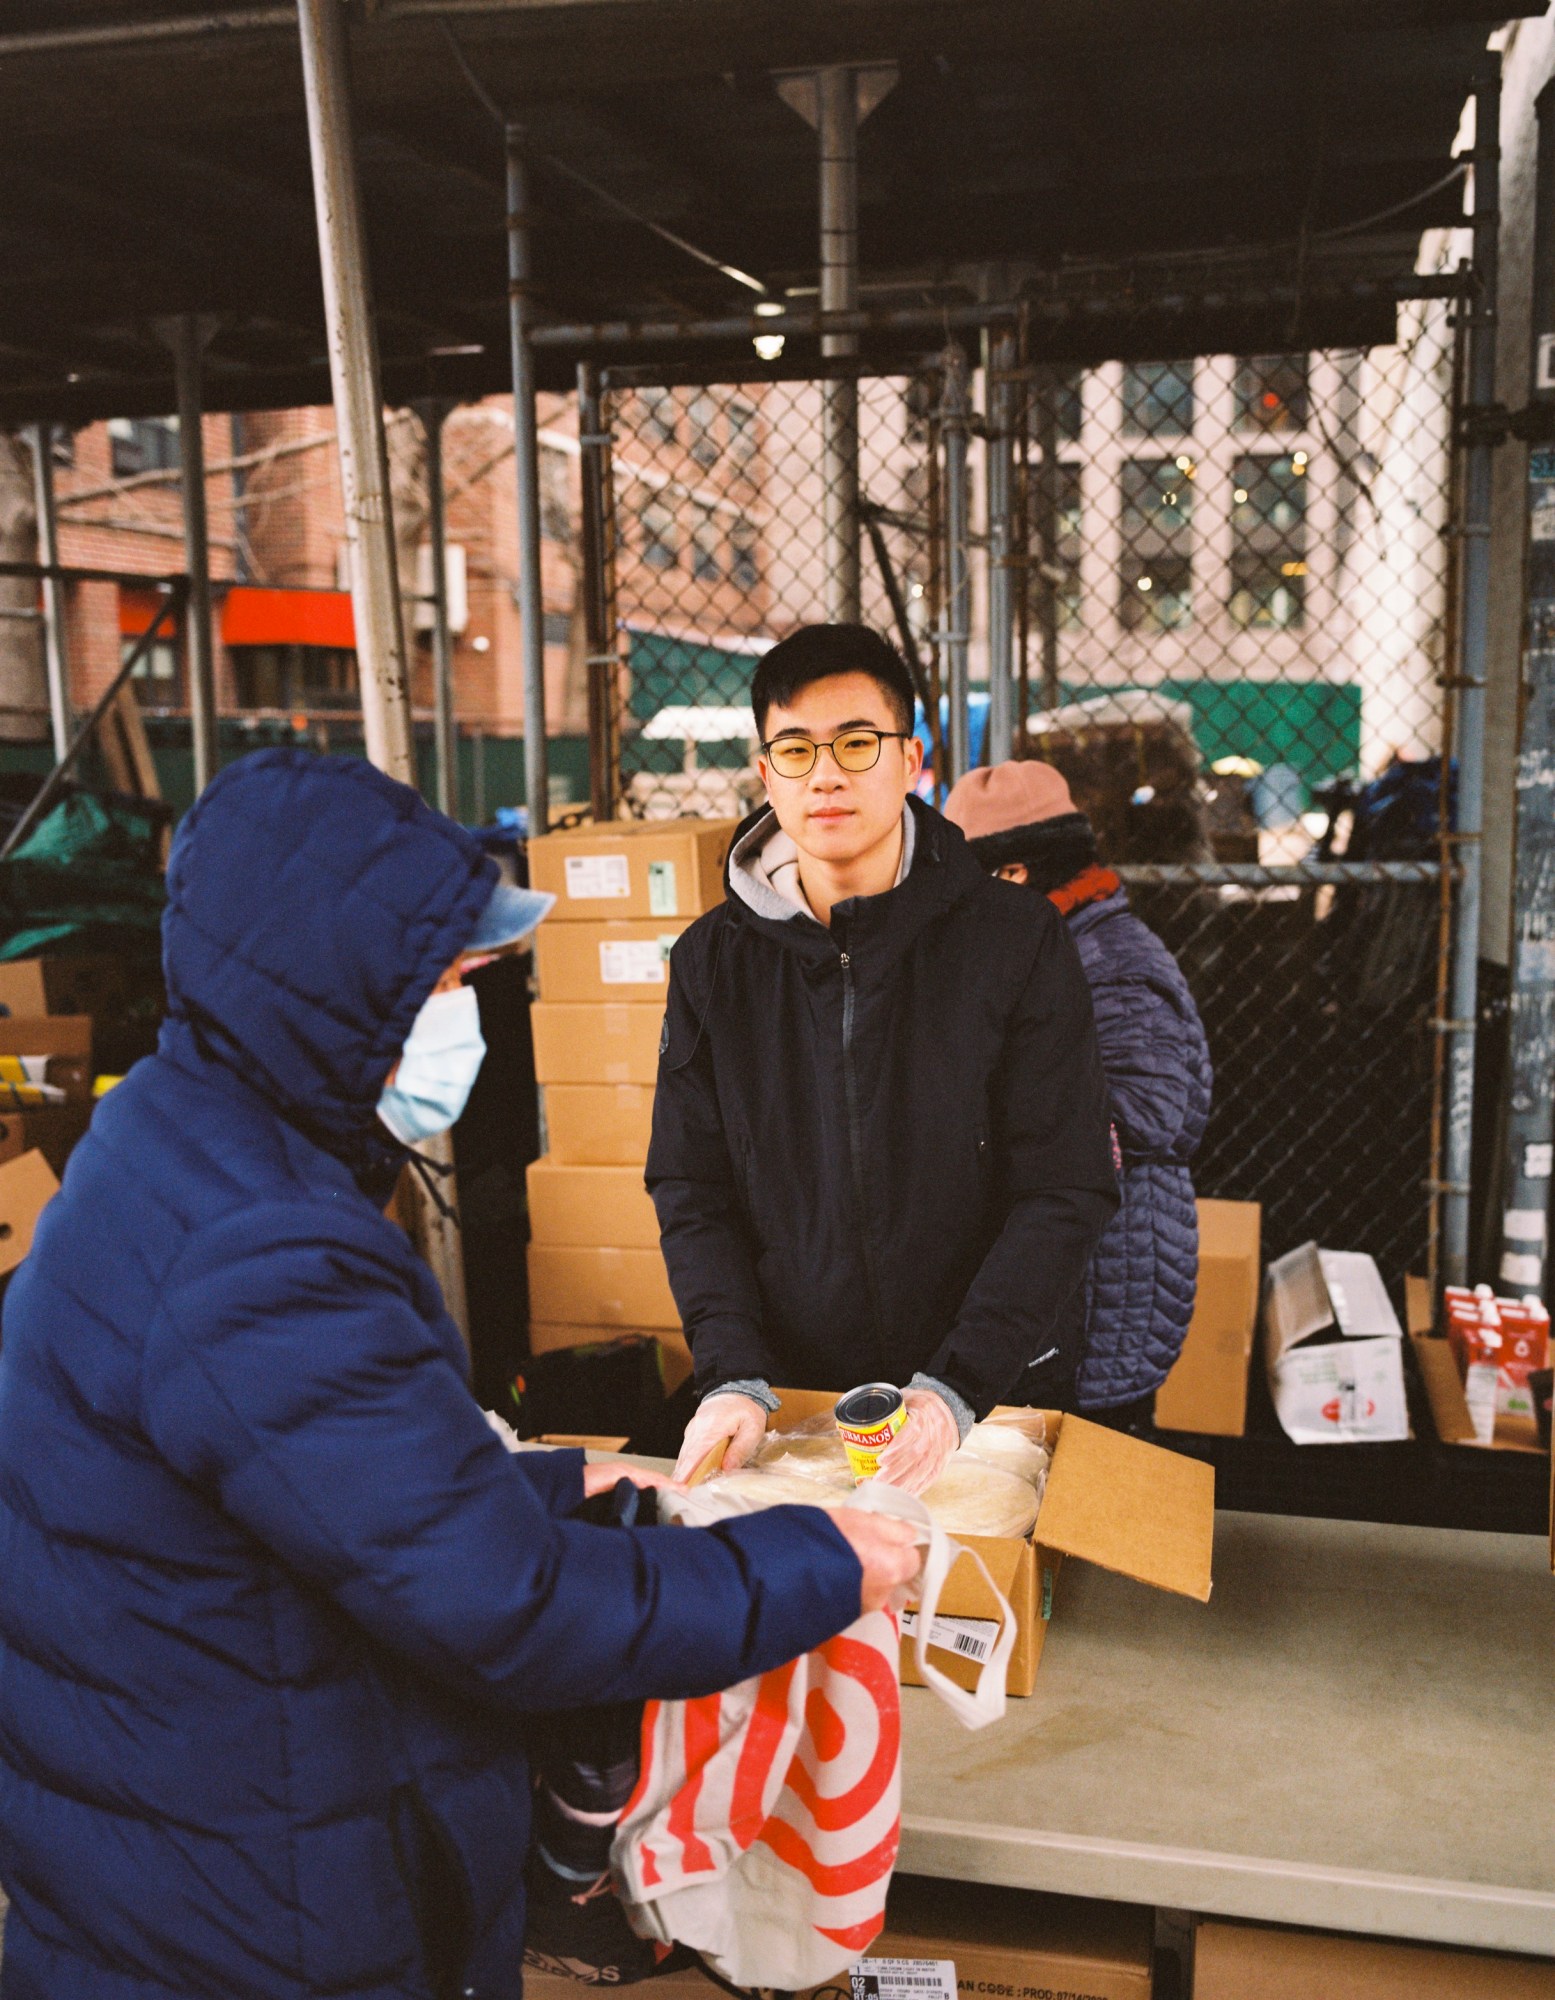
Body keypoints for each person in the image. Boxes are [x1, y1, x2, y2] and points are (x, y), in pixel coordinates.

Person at [0, 747, 918, 2000]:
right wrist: (820, 1559)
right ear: (332, 987)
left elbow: (311, 1492)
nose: (464, 1005)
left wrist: (539, 1481)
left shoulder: (164, 1136)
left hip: (159, 1850)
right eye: (442, 975)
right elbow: (512, 1608)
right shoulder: (263, 1249)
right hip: (264, 1913)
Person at [647, 625, 1118, 1493]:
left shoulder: (1014, 940)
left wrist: (956, 1388)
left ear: (910, 760)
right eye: (793, 748)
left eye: (856, 743)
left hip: (991, 1395)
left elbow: (1066, 1182)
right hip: (799, 1398)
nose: (824, 774)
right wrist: (730, 1373)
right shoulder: (710, 962)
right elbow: (690, 1186)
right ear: (765, 774)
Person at [944, 759, 1213, 1426]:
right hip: (1071, 1282)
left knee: (1085, 1488)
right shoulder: (1049, 946)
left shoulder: (1110, 961)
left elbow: (1149, 1114)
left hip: (1101, 1291)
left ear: (1015, 874)